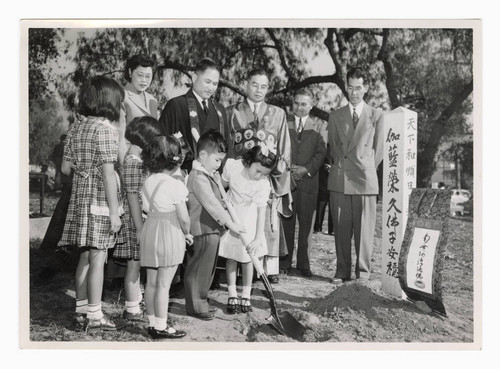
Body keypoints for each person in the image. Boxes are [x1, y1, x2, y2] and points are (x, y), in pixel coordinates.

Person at [58, 76, 125, 331]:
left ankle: (81, 309)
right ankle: (95, 316)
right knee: (99, 257)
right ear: (110, 101)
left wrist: (83, 168)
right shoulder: (107, 130)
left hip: (80, 200)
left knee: (84, 257)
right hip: (99, 202)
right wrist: (114, 214)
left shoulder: (77, 128)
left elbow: (65, 169)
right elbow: (109, 173)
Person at [226, 68, 291, 284]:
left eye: (264, 86)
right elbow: (226, 148)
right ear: (246, 84)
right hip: (238, 178)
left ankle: (266, 270)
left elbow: (284, 150)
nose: (259, 90)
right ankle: (234, 270)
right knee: (239, 221)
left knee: (266, 223)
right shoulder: (231, 112)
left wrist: (274, 175)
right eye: (255, 85)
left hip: (265, 177)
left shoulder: (278, 114)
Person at [328, 67, 383, 284]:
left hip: (365, 180)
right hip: (340, 179)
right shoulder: (335, 115)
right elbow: (333, 147)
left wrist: (365, 167)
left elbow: (378, 151)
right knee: (341, 229)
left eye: (358, 88)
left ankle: (363, 273)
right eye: (350, 87)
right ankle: (342, 271)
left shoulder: (377, 115)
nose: (354, 92)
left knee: (364, 231)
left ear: (366, 88)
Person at [183, 131, 246, 320]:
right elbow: (211, 203)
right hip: (201, 230)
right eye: (217, 160)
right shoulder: (198, 176)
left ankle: (200, 301)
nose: (220, 165)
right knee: (199, 269)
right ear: (203, 156)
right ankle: (196, 305)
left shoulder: (207, 175)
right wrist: (229, 223)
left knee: (207, 269)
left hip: (211, 231)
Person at [140, 135, 193, 339]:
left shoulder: (148, 181)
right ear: (176, 160)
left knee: (151, 283)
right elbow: (184, 218)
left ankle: (152, 323)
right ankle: (161, 327)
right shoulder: (175, 185)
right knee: (164, 284)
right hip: (169, 232)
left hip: (150, 230)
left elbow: (145, 208)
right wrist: (187, 234)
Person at [112, 116, 163, 321]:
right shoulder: (133, 164)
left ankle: (137, 301)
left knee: (138, 263)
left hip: (140, 220)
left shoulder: (137, 162)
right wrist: (140, 227)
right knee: (134, 264)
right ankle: (132, 308)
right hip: (135, 222)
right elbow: (132, 196)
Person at [219, 143, 276, 313]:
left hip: (249, 219)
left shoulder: (263, 184)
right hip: (231, 215)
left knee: (248, 258)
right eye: (258, 171)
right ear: (250, 161)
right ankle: (232, 293)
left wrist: (258, 237)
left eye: (264, 174)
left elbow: (261, 212)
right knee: (231, 257)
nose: (259, 176)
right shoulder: (233, 167)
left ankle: (246, 295)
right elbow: (221, 186)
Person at [280, 89, 327, 277]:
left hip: (308, 183)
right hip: (288, 181)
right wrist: (289, 169)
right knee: (287, 223)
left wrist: (306, 169)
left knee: (306, 225)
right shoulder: (284, 123)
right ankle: (284, 263)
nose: (299, 107)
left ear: (311, 105)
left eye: (304, 104)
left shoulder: (319, 127)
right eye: (297, 103)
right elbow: (279, 148)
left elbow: (321, 153)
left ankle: (304, 264)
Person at [158, 58, 228, 172]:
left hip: (213, 176)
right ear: (194, 78)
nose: (211, 88)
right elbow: (162, 144)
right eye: (207, 82)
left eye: (215, 84)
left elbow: (226, 147)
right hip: (182, 174)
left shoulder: (220, 111)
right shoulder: (176, 105)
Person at [313, 154, 334, 235]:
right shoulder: (325, 147)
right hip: (323, 180)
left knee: (333, 205)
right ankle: (317, 227)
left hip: (335, 180)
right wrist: (323, 166)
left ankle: (332, 229)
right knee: (321, 204)